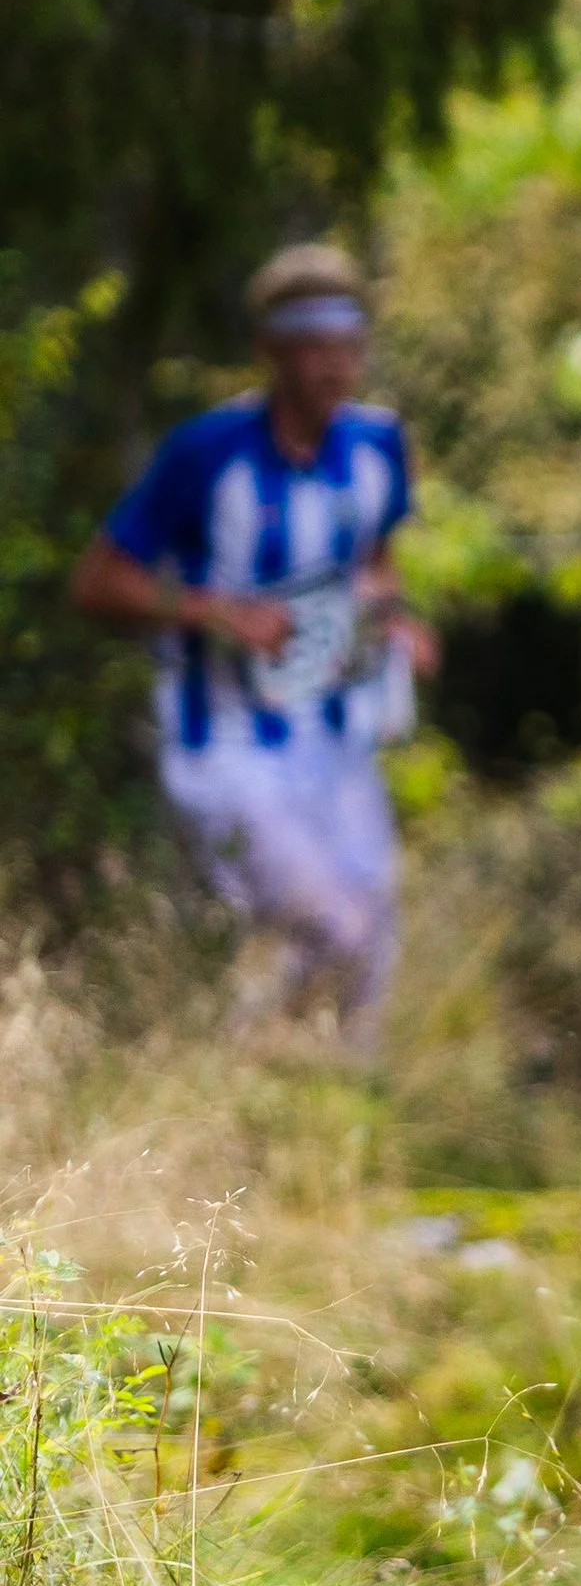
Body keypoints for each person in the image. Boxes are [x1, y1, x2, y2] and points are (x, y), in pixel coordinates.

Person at [71, 244, 439, 1048]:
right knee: (334, 931)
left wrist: (400, 620)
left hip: (338, 742)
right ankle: (229, 1065)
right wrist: (216, 611)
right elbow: (97, 582)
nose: (334, 367)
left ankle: (305, 1117)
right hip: (227, 744)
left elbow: (376, 560)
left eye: (348, 346)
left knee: (372, 945)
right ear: (273, 350)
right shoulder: (206, 453)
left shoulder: (378, 447)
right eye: (314, 347)